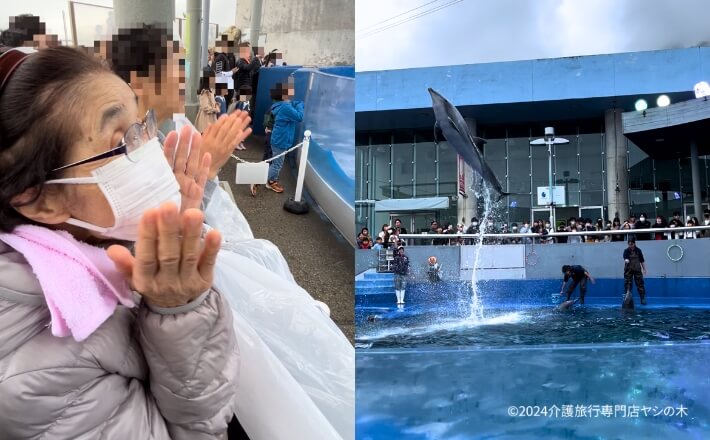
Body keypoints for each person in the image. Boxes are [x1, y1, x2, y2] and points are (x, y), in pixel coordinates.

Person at [0, 46, 237, 438]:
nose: (150, 149)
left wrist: (175, 220)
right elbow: (199, 430)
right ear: (41, 201)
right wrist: (178, 312)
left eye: (144, 123)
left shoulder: (91, 229)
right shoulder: (32, 379)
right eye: (122, 139)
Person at [266, 81, 304, 193]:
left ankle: (272, 180)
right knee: (277, 165)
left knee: (276, 163)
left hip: (278, 139)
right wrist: (300, 106)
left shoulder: (281, 105)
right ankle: (262, 181)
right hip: (280, 141)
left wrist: (294, 105)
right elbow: (299, 117)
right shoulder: (285, 107)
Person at [194, 67, 220, 133]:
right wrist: (215, 109)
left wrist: (216, 105)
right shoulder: (204, 92)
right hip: (205, 119)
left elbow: (211, 103)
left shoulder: (210, 91)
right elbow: (205, 107)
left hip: (210, 118)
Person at [623, 238, 647, 305]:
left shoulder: (638, 250)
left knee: (640, 284)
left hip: (637, 270)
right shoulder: (626, 251)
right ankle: (627, 298)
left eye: (632, 244)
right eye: (629, 244)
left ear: (634, 243)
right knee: (628, 284)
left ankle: (642, 298)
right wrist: (626, 260)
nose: (631, 245)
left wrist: (644, 269)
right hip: (628, 270)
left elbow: (642, 261)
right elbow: (625, 258)